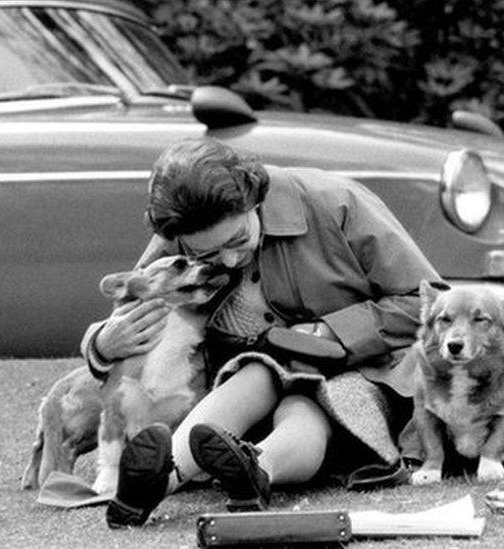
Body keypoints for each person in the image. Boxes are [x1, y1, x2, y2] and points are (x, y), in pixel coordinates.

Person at [81, 137, 444, 528]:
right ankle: (157, 480)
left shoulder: (336, 201)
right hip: (247, 380)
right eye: (208, 255)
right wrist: (101, 345)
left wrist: (328, 332)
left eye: (238, 240)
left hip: (360, 369)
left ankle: (257, 467)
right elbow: (131, 306)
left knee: (306, 406)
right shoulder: (184, 228)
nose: (230, 260)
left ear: (254, 199)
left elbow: (429, 301)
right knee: (257, 372)